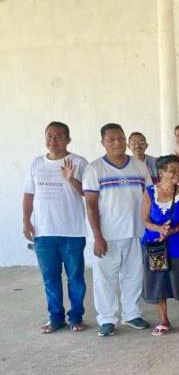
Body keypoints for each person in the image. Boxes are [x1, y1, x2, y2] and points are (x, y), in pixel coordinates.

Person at [83, 123, 152, 337]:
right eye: (111, 139)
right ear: (102, 142)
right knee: (105, 279)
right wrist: (98, 236)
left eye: (120, 138)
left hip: (136, 232)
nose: (117, 143)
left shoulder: (139, 166)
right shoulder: (94, 169)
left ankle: (131, 314)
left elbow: (148, 197)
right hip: (107, 236)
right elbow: (91, 205)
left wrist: (149, 228)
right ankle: (107, 319)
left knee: (133, 275)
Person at [23, 122, 89, 333]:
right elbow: (29, 194)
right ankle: (55, 318)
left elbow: (87, 193)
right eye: (49, 136)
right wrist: (26, 220)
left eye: (59, 136)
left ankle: (76, 317)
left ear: (68, 139)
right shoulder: (36, 164)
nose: (53, 140)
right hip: (44, 232)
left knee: (76, 278)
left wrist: (71, 179)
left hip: (72, 231)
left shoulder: (78, 162)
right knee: (50, 278)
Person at [140, 155, 179, 336]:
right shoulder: (150, 192)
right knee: (159, 282)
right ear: (161, 172)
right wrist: (158, 229)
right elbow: (145, 219)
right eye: (172, 170)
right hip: (156, 245)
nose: (177, 173)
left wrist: (173, 230)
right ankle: (164, 320)